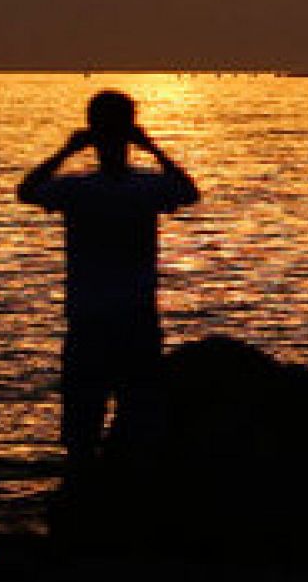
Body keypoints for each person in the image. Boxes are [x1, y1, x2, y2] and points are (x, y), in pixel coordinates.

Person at [16, 91, 201, 472]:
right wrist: (153, 148)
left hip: (90, 318)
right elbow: (188, 192)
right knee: (139, 417)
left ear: (92, 135)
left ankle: (83, 493)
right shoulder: (146, 187)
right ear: (130, 131)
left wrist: (65, 151)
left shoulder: (76, 189)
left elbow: (27, 190)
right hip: (134, 317)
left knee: (84, 424)